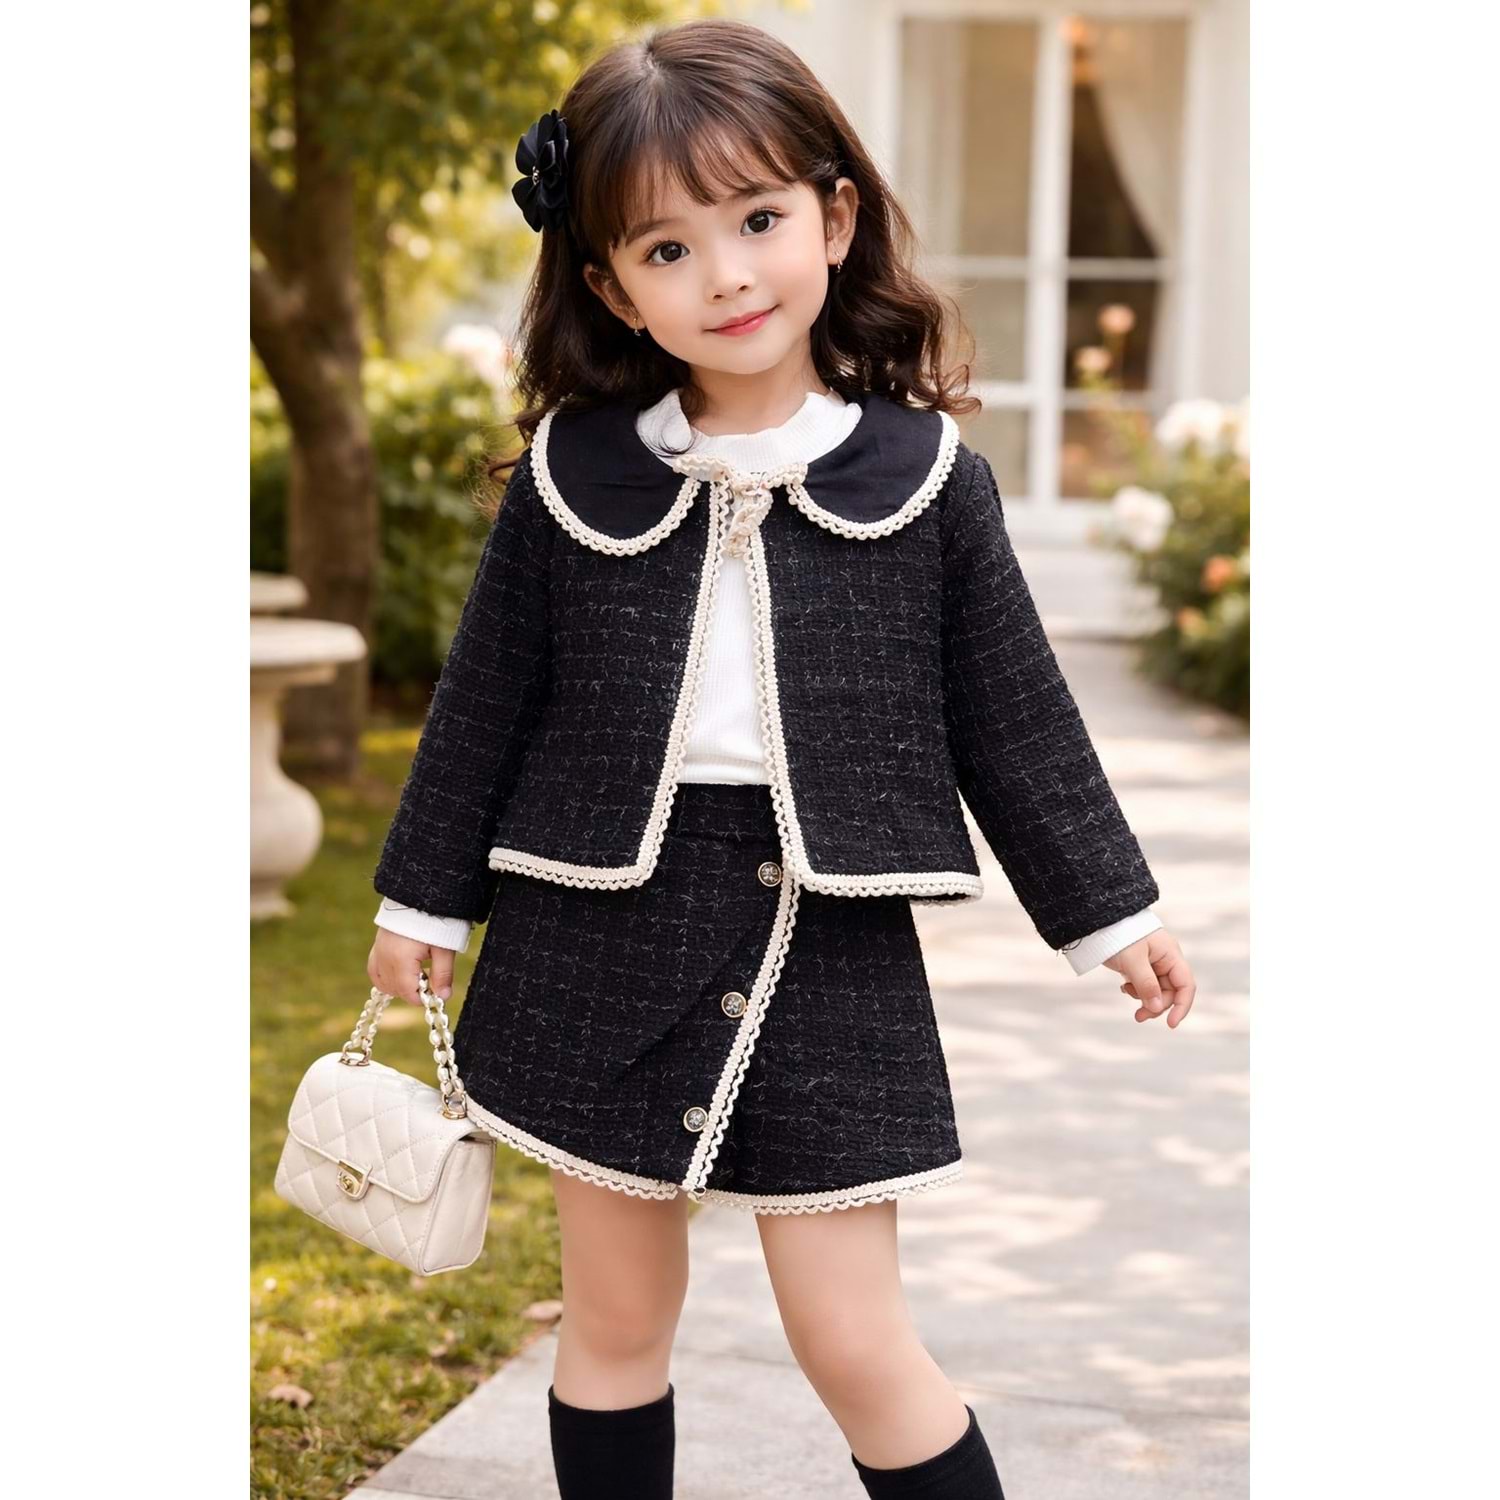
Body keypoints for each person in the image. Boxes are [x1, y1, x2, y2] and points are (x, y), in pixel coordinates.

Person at [367, 17, 1197, 1499]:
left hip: (831, 946)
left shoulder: (928, 482)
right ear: (610, 285)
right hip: (592, 933)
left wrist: (1110, 912)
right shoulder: (572, 477)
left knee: (857, 1343)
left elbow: (1014, 718)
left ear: (835, 215)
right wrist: (420, 906)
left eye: (756, 220)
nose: (727, 274)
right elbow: (484, 705)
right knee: (615, 1325)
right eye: (666, 248)